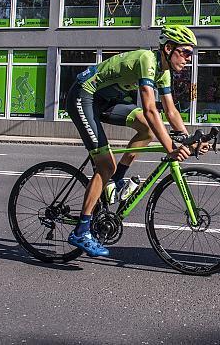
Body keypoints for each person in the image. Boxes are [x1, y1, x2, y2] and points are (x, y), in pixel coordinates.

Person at [66, 25, 208, 257]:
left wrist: (188, 139)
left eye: (191, 54)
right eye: (185, 52)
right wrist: (171, 148)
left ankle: (117, 181)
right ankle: (81, 230)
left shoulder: (164, 72)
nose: (188, 59)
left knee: (146, 131)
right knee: (105, 165)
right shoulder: (147, 59)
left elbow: (171, 112)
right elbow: (151, 110)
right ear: (168, 48)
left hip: (106, 100)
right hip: (84, 95)